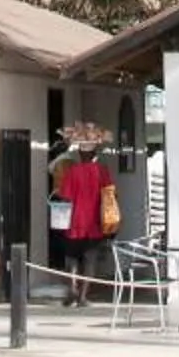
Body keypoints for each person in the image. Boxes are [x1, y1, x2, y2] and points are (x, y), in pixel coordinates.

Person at [50, 122, 116, 307]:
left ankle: (72, 288)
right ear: (94, 153)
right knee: (90, 260)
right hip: (94, 223)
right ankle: (83, 296)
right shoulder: (102, 172)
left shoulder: (72, 172)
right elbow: (111, 194)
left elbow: (64, 195)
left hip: (73, 222)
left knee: (71, 258)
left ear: (79, 154)